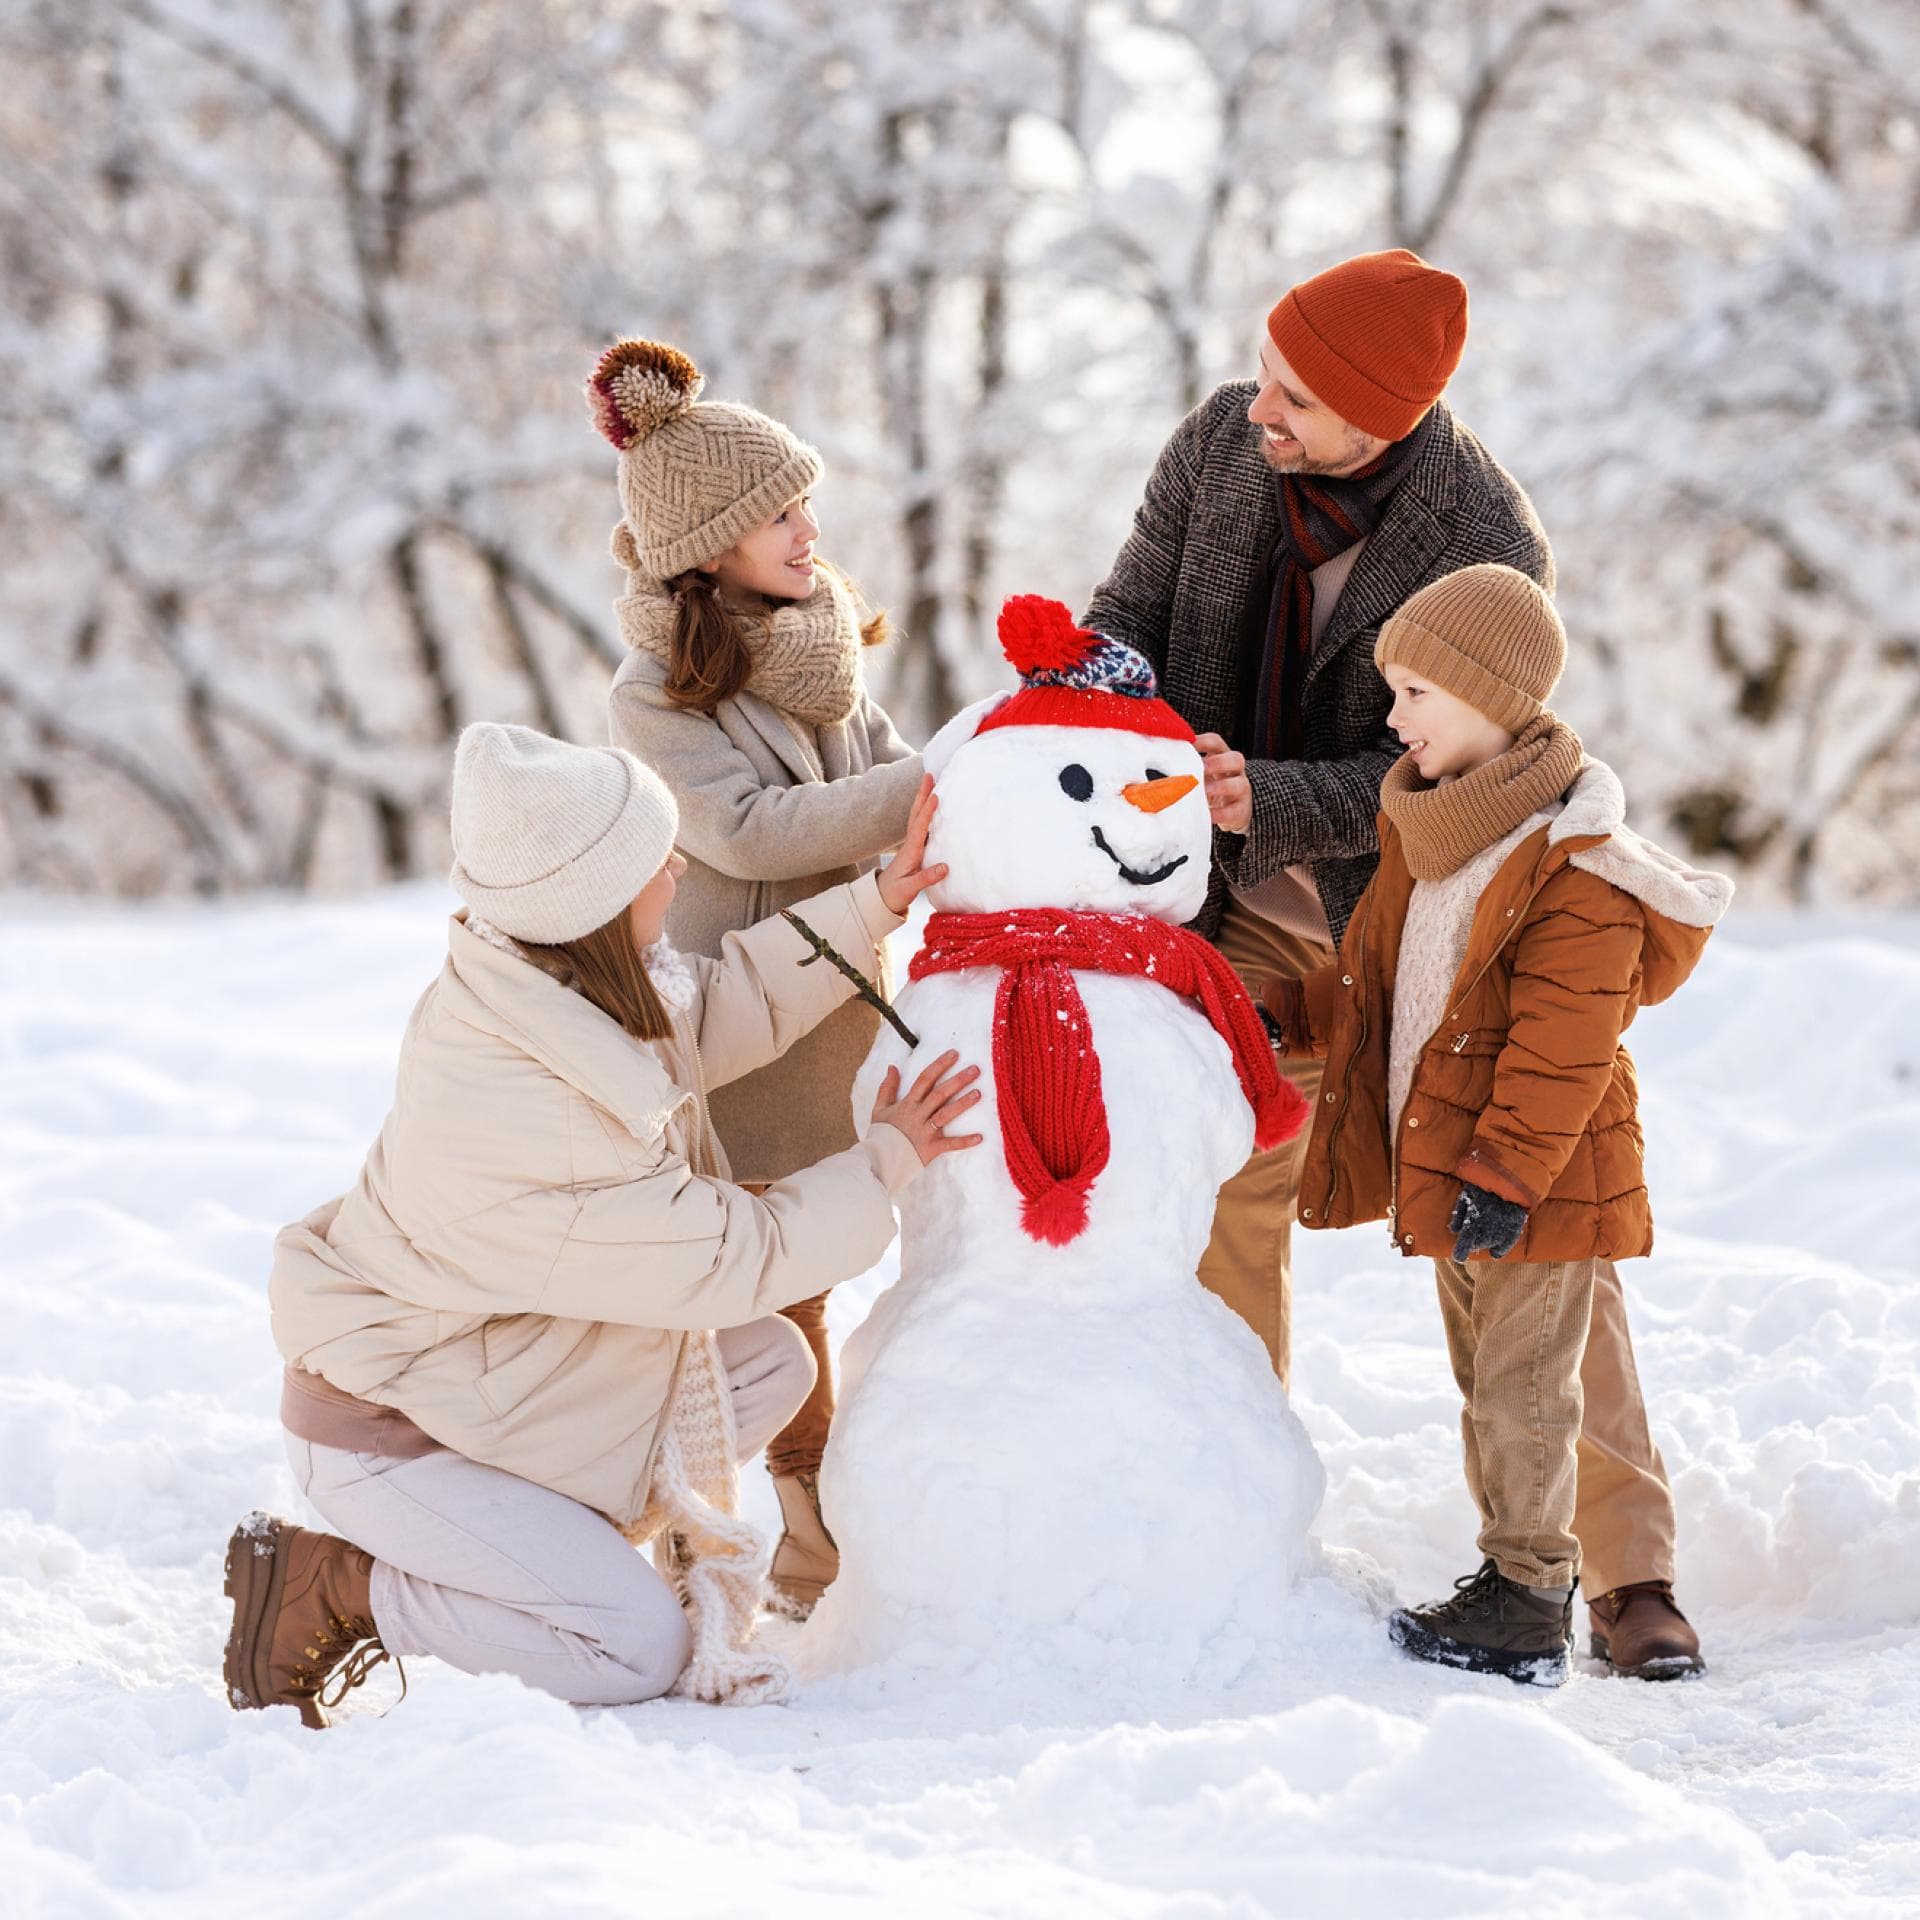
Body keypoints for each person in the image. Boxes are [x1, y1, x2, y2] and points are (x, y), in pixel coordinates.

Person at [1084, 248, 1708, 1672]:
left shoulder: (1483, 541)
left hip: (1424, 901)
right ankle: (1227, 1516)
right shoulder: (1218, 443)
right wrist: (1101, 695)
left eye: (1299, 395)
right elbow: (1130, 605)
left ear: (1384, 412)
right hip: (1231, 886)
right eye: (1267, 371)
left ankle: (1627, 1569)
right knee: (1220, 1161)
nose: (1262, 408)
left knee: (1553, 1227)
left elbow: (1450, 766)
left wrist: (1274, 794)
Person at [221, 723, 980, 1726]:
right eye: (647, 862)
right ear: (587, 903)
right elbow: (731, 1256)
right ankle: (337, 1586)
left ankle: (562, 1556)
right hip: (397, 1437)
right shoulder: (527, 1109)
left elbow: (722, 1008)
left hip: (495, 1379)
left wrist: (877, 900)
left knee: (765, 1364)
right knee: (632, 1647)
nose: (674, 868)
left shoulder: (556, 990)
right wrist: (886, 1156)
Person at [1265, 566, 1729, 1682]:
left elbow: (1560, 1046)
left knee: (1527, 1389)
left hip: (1533, 1178)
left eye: (1416, 690)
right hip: (1456, 1165)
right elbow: (1390, 987)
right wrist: (1286, 1011)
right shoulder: (1436, 837)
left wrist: (1508, 1172)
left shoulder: (1577, 863)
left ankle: (1529, 1595)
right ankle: (1514, 1572)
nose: (1393, 716)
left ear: (1488, 696)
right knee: (1491, 1382)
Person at [589, 339, 924, 1615]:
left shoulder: (817, 644)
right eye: (780, 512)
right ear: (712, 538)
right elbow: (753, 834)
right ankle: (795, 1536)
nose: (809, 529)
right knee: (785, 1284)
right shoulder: (654, 696)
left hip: (849, 996)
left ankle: (854, 1516)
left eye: (803, 502)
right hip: (749, 1018)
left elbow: (879, 774)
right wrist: (931, 789)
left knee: (850, 1260)